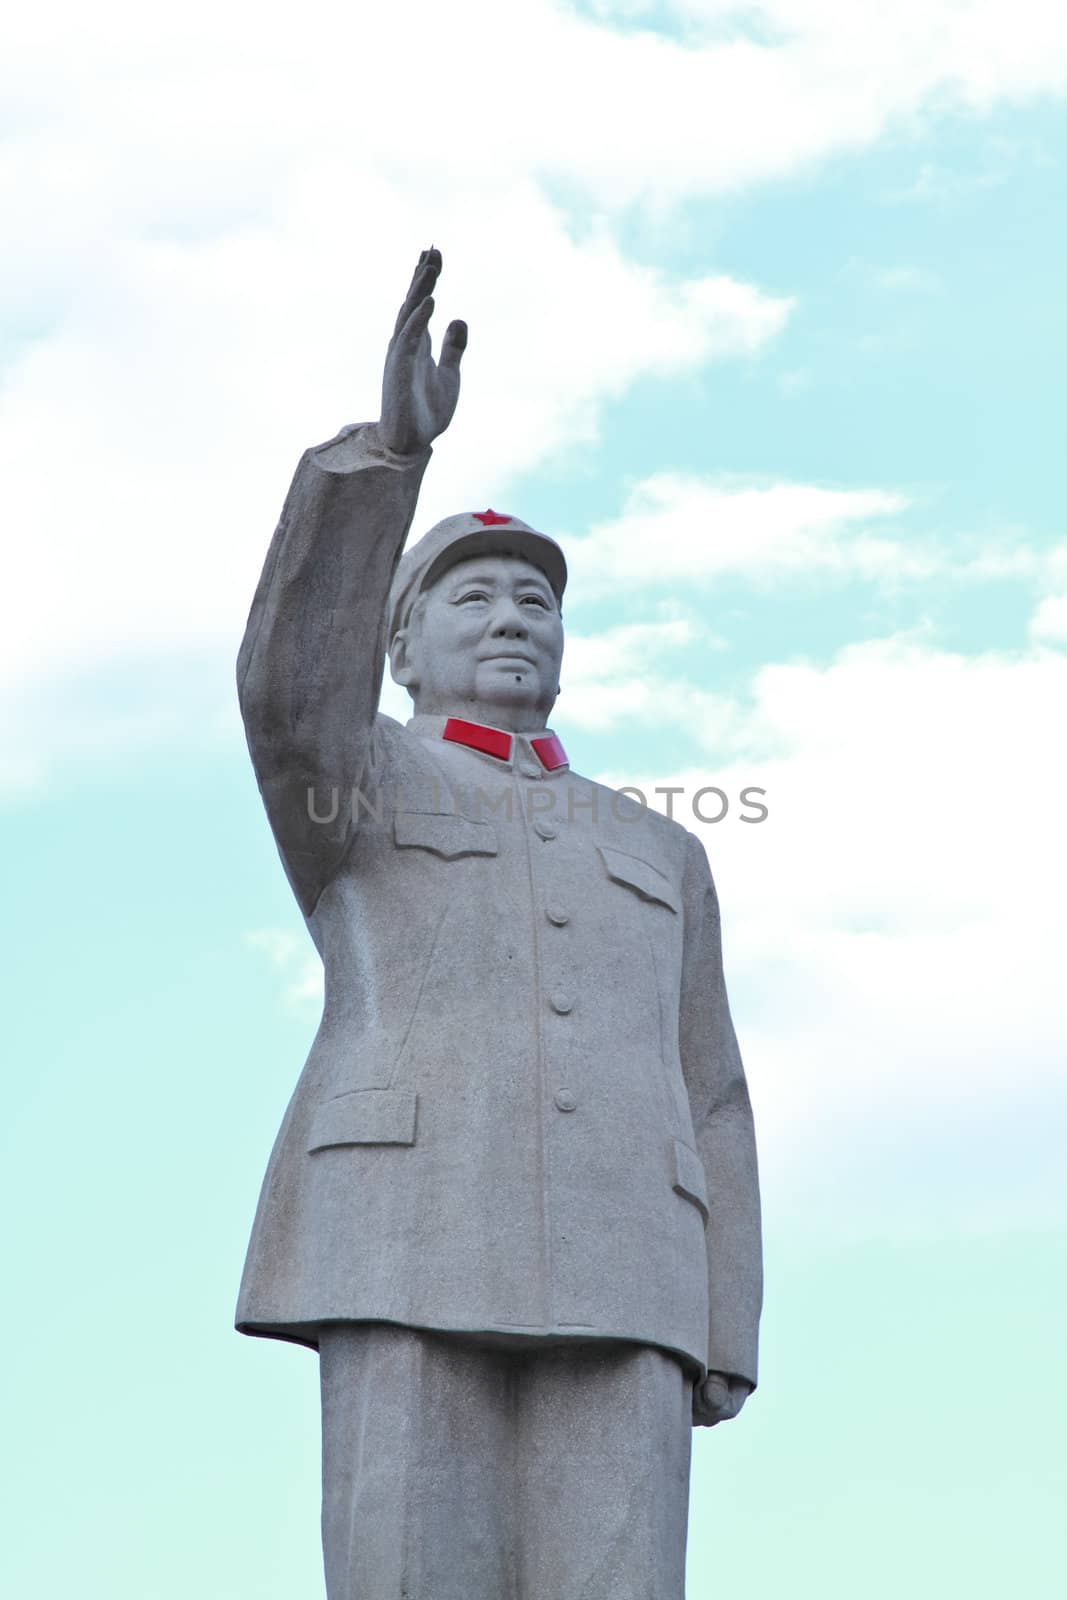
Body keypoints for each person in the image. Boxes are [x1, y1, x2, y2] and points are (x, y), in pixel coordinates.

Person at [236, 248, 762, 1600]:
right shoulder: (355, 776)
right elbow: (292, 685)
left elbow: (714, 1091)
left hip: (629, 1269)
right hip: (406, 1232)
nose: (515, 615)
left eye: (538, 598)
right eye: (473, 593)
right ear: (399, 645)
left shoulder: (662, 846)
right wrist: (387, 465)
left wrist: (726, 1316)